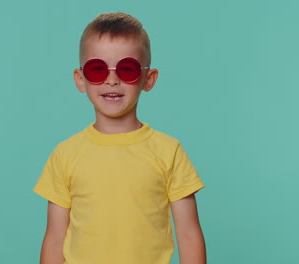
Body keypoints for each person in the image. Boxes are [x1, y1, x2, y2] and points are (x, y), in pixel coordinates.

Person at [33, 12, 206, 264]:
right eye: (97, 69)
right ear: (80, 80)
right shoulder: (65, 154)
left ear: (149, 79)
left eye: (127, 69)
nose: (112, 80)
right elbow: (55, 238)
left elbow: (189, 234)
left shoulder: (169, 151)